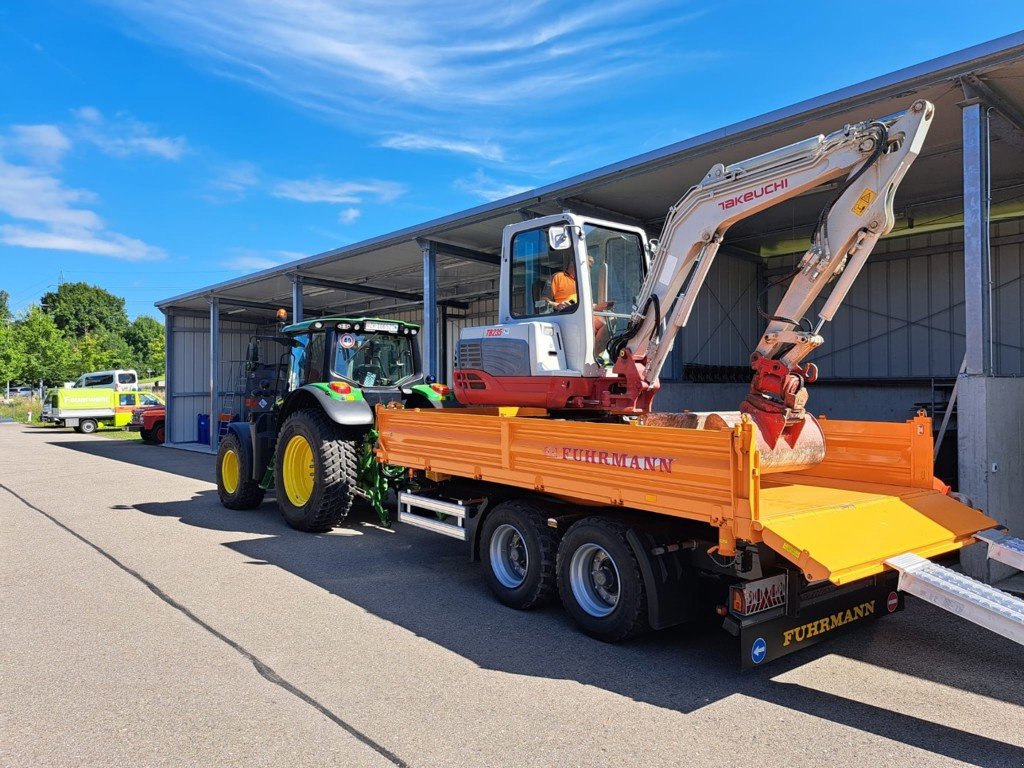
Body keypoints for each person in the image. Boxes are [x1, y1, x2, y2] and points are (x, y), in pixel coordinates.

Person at [541, 256, 615, 361]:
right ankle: (592, 357)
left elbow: (584, 304)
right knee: (600, 322)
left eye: (590, 267)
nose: (588, 270)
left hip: (580, 312)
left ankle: (595, 356)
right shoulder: (558, 277)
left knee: (609, 321)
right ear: (574, 264)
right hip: (565, 314)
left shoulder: (582, 283)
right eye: (587, 266)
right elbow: (544, 301)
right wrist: (557, 305)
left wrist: (600, 307)